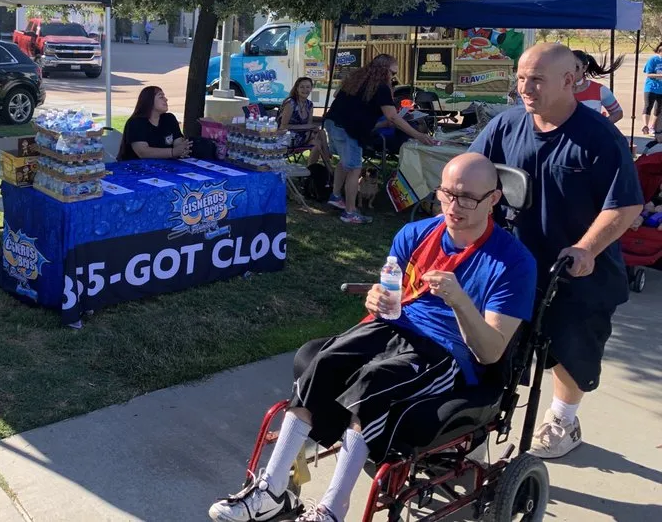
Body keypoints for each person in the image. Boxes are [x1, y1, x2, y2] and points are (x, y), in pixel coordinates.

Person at [208, 153, 537, 522]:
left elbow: (491, 352)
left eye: (468, 199)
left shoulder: (514, 263)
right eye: (446, 194)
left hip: (449, 351)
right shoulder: (415, 234)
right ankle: (270, 491)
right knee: (323, 360)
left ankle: (332, 510)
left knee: (372, 383)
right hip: (395, 327)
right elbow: (392, 295)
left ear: (493, 199)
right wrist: (377, 298)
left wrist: (459, 300)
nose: (454, 206)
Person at [468, 43, 642, 460]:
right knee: (493, 344)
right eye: (521, 78)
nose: (525, 88)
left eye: (537, 79)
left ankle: (563, 418)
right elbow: (471, 173)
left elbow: (626, 204)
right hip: (511, 265)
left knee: (570, 348)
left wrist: (586, 248)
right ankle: (479, 422)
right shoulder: (505, 126)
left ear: (570, 80)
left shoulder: (599, 136)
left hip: (578, 269)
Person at [325, 54, 435, 224]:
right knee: (355, 168)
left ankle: (336, 195)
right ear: (384, 70)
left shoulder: (355, 79)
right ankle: (350, 212)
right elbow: (392, 117)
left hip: (333, 123)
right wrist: (419, 135)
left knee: (344, 162)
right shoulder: (381, 87)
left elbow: (346, 103)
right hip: (348, 129)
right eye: (392, 73)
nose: (393, 78)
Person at [118, 86, 192, 160]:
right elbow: (142, 152)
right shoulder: (135, 123)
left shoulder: (169, 118)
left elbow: (178, 142)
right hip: (135, 168)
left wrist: (182, 150)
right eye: (161, 97)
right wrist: (173, 152)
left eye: (164, 96)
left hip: (166, 165)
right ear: (149, 101)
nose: (166, 99)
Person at [279, 77, 332, 167]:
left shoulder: (309, 104)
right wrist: (307, 127)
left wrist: (311, 128)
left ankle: (311, 171)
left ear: (311, 89)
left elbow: (309, 125)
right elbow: (283, 126)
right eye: (302, 87)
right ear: (297, 89)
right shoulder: (290, 103)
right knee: (319, 138)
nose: (305, 90)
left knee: (318, 141)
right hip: (287, 137)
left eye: (308, 87)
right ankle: (328, 162)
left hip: (302, 135)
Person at [571, 50, 623, 124]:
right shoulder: (556, 89)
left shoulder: (599, 90)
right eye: (566, 66)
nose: (570, 71)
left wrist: (601, 125)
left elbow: (618, 112)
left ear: (584, 68)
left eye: (576, 67)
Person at [642, 42, 662, 134]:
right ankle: (645, 126)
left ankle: (653, 126)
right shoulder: (653, 60)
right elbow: (648, 74)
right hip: (651, 87)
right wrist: (660, 75)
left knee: (658, 109)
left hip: (661, 89)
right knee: (648, 106)